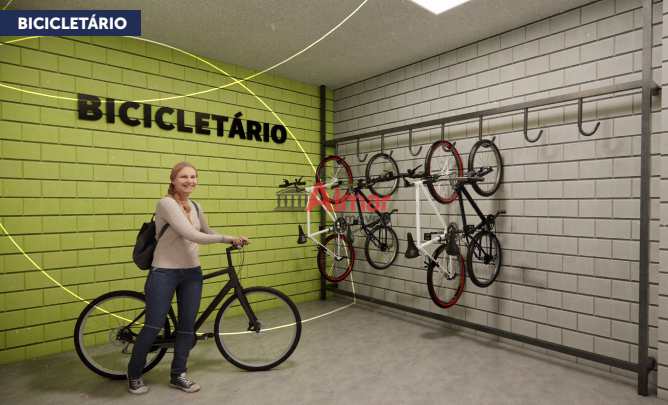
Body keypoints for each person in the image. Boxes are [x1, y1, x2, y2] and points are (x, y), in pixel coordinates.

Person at [127, 161, 249, 395]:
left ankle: (178, 375)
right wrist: (226, 238)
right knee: (153, 325)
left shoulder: (196, 206)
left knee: (186, 326)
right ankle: (134, 373)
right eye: (184, 176)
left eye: (193, 177)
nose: (190, 181)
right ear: (173, 180)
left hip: (192, 273)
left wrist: (233, 239)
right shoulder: (166, 204)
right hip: (164, 272)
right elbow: (190, 234)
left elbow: (206, 232)